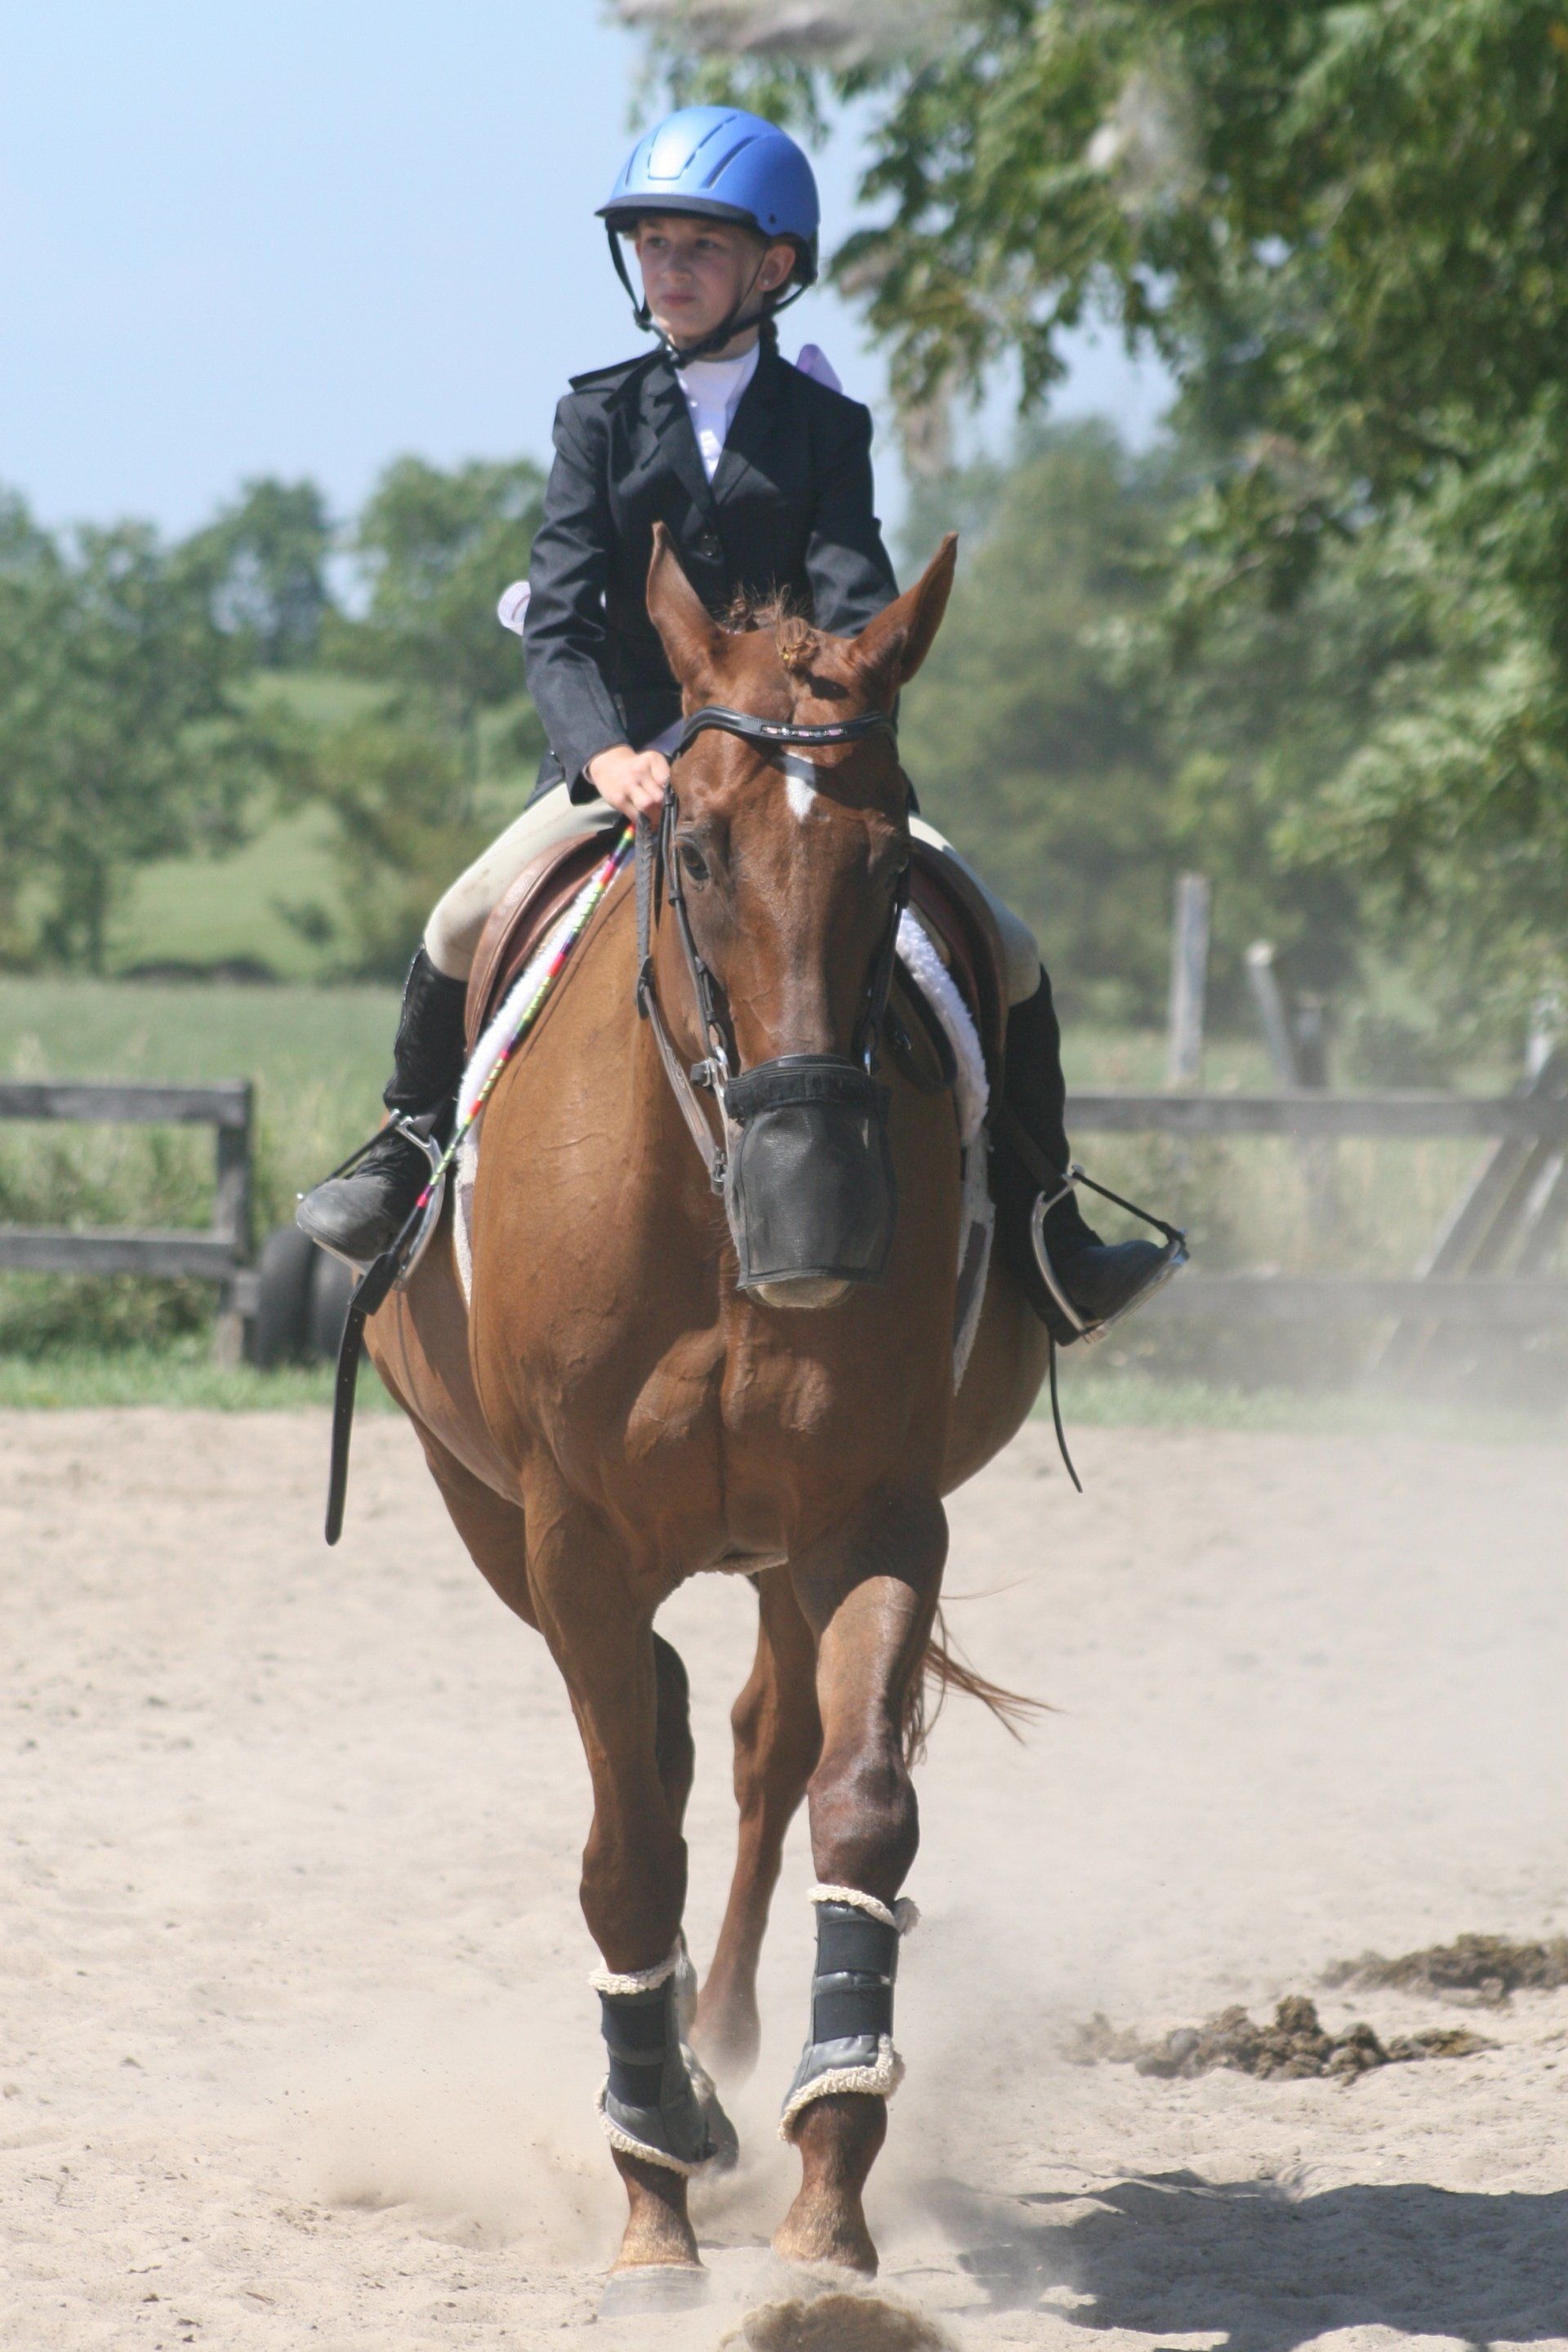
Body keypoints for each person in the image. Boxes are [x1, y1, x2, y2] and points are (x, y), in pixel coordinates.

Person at [298, 105, 1171, 1342]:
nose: (669, 271)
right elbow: (557, 623)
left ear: (774, 268)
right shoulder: (595, 418)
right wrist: (604, 749)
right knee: (459, 917)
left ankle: (1047, 1224)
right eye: (650, 245)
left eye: (698, 248)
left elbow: (856, 596)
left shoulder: (827, 429)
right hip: (624, 766)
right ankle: (405, 1152)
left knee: (1010, 949)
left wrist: (841, 692)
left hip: (793, 763)